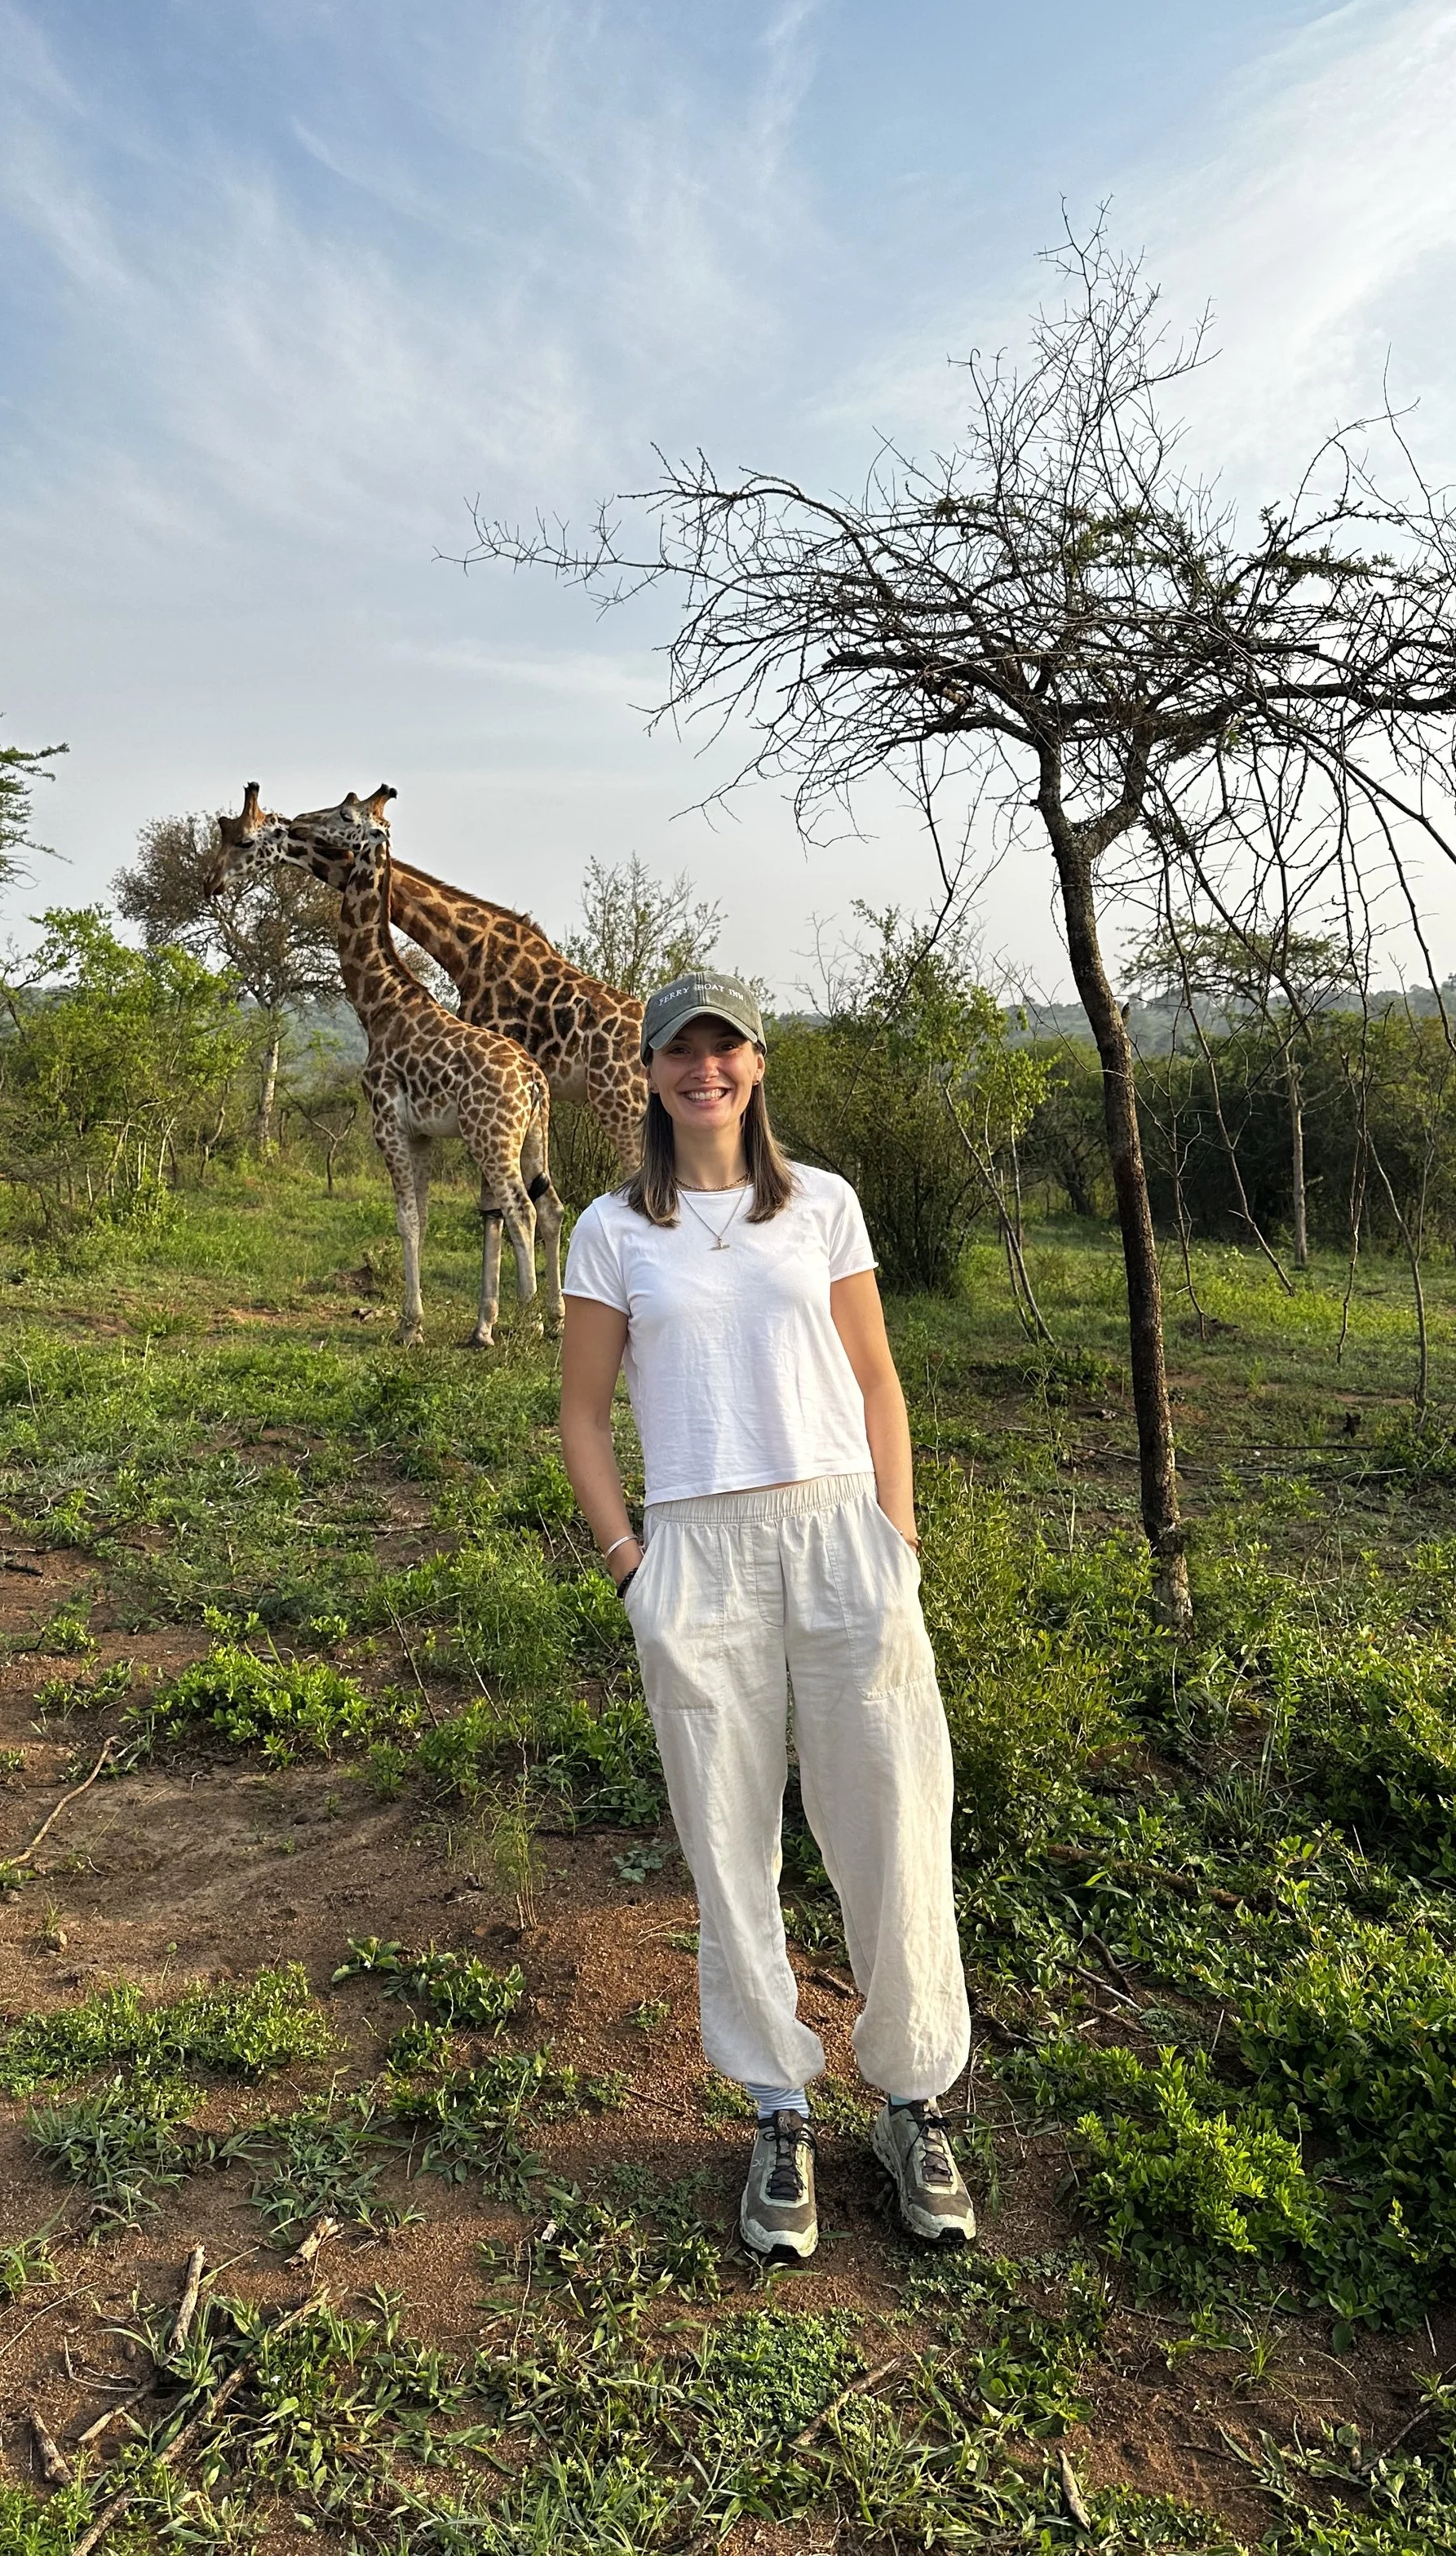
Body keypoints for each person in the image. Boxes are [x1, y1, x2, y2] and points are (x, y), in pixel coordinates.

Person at [559, 969, 975, 2261]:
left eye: (725, 1047)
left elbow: (878, 1378)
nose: (705, 1070)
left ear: (757, 1062)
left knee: (894, 1810)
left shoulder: (827, 1206)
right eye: (680, 1052)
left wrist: (894, 1537)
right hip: (697, 1551)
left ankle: (911, 2100)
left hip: (844, 1533)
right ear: (647, 1074)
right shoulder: (614, 1228)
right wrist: (634, 1563)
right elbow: (579, 1414)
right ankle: (779, 2108)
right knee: (727, 1840)